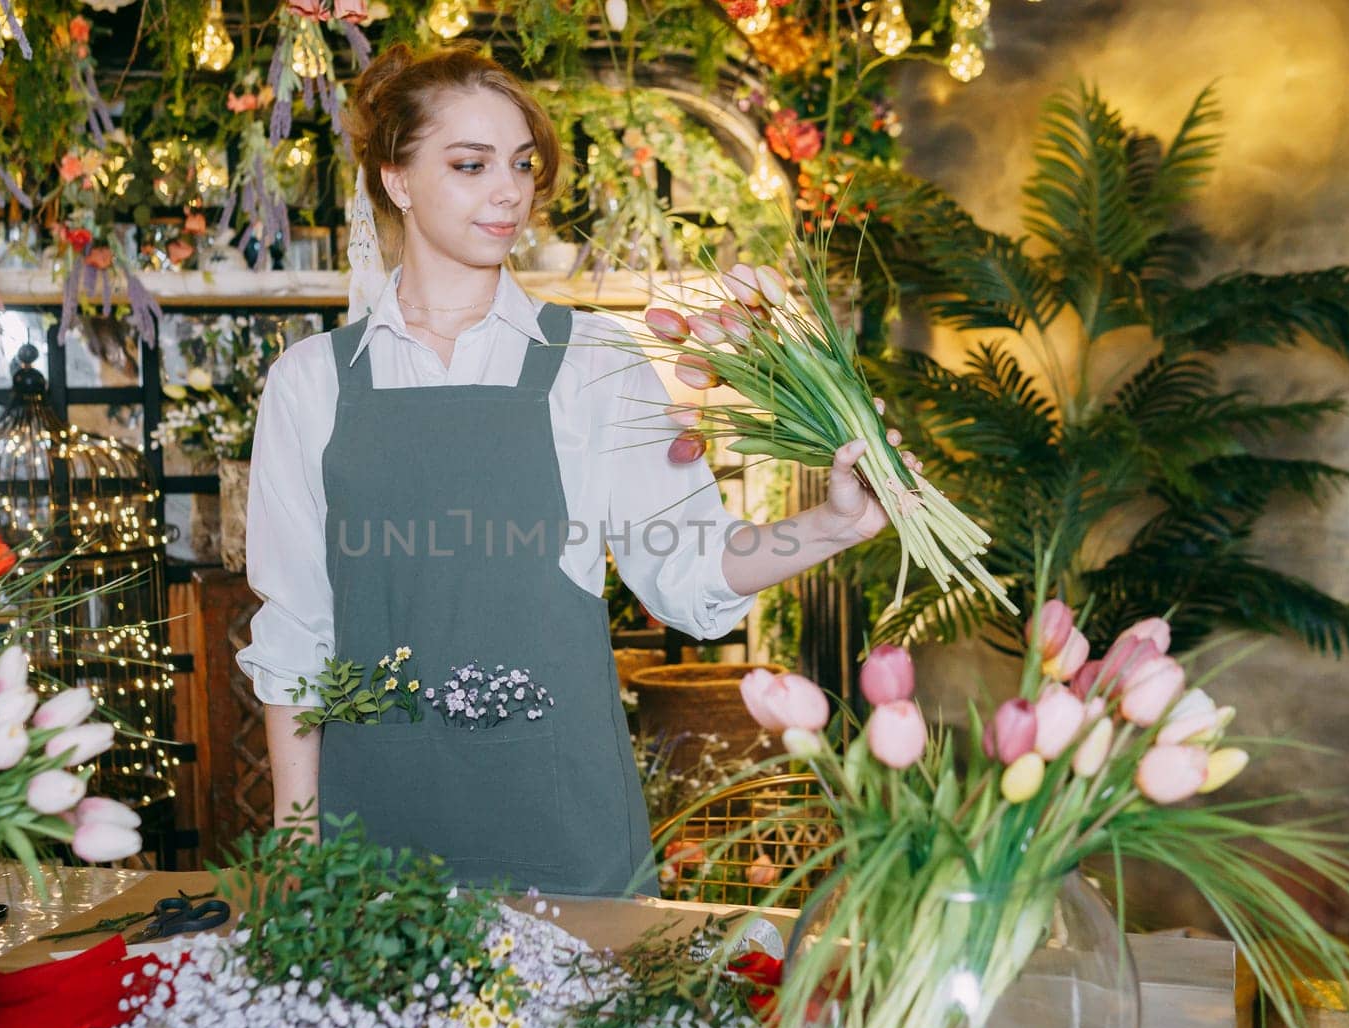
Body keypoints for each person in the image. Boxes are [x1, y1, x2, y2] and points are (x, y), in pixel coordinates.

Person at [236, 42, 888, 897]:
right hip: (375, 822)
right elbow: (298, 637)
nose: (509, 191)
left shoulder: (594, 361)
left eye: (520, 165)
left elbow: (689, 569)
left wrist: (834, 524)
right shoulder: (310, 383)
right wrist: (295, 846)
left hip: (559, 805)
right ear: (396, 179)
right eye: (470, 165)